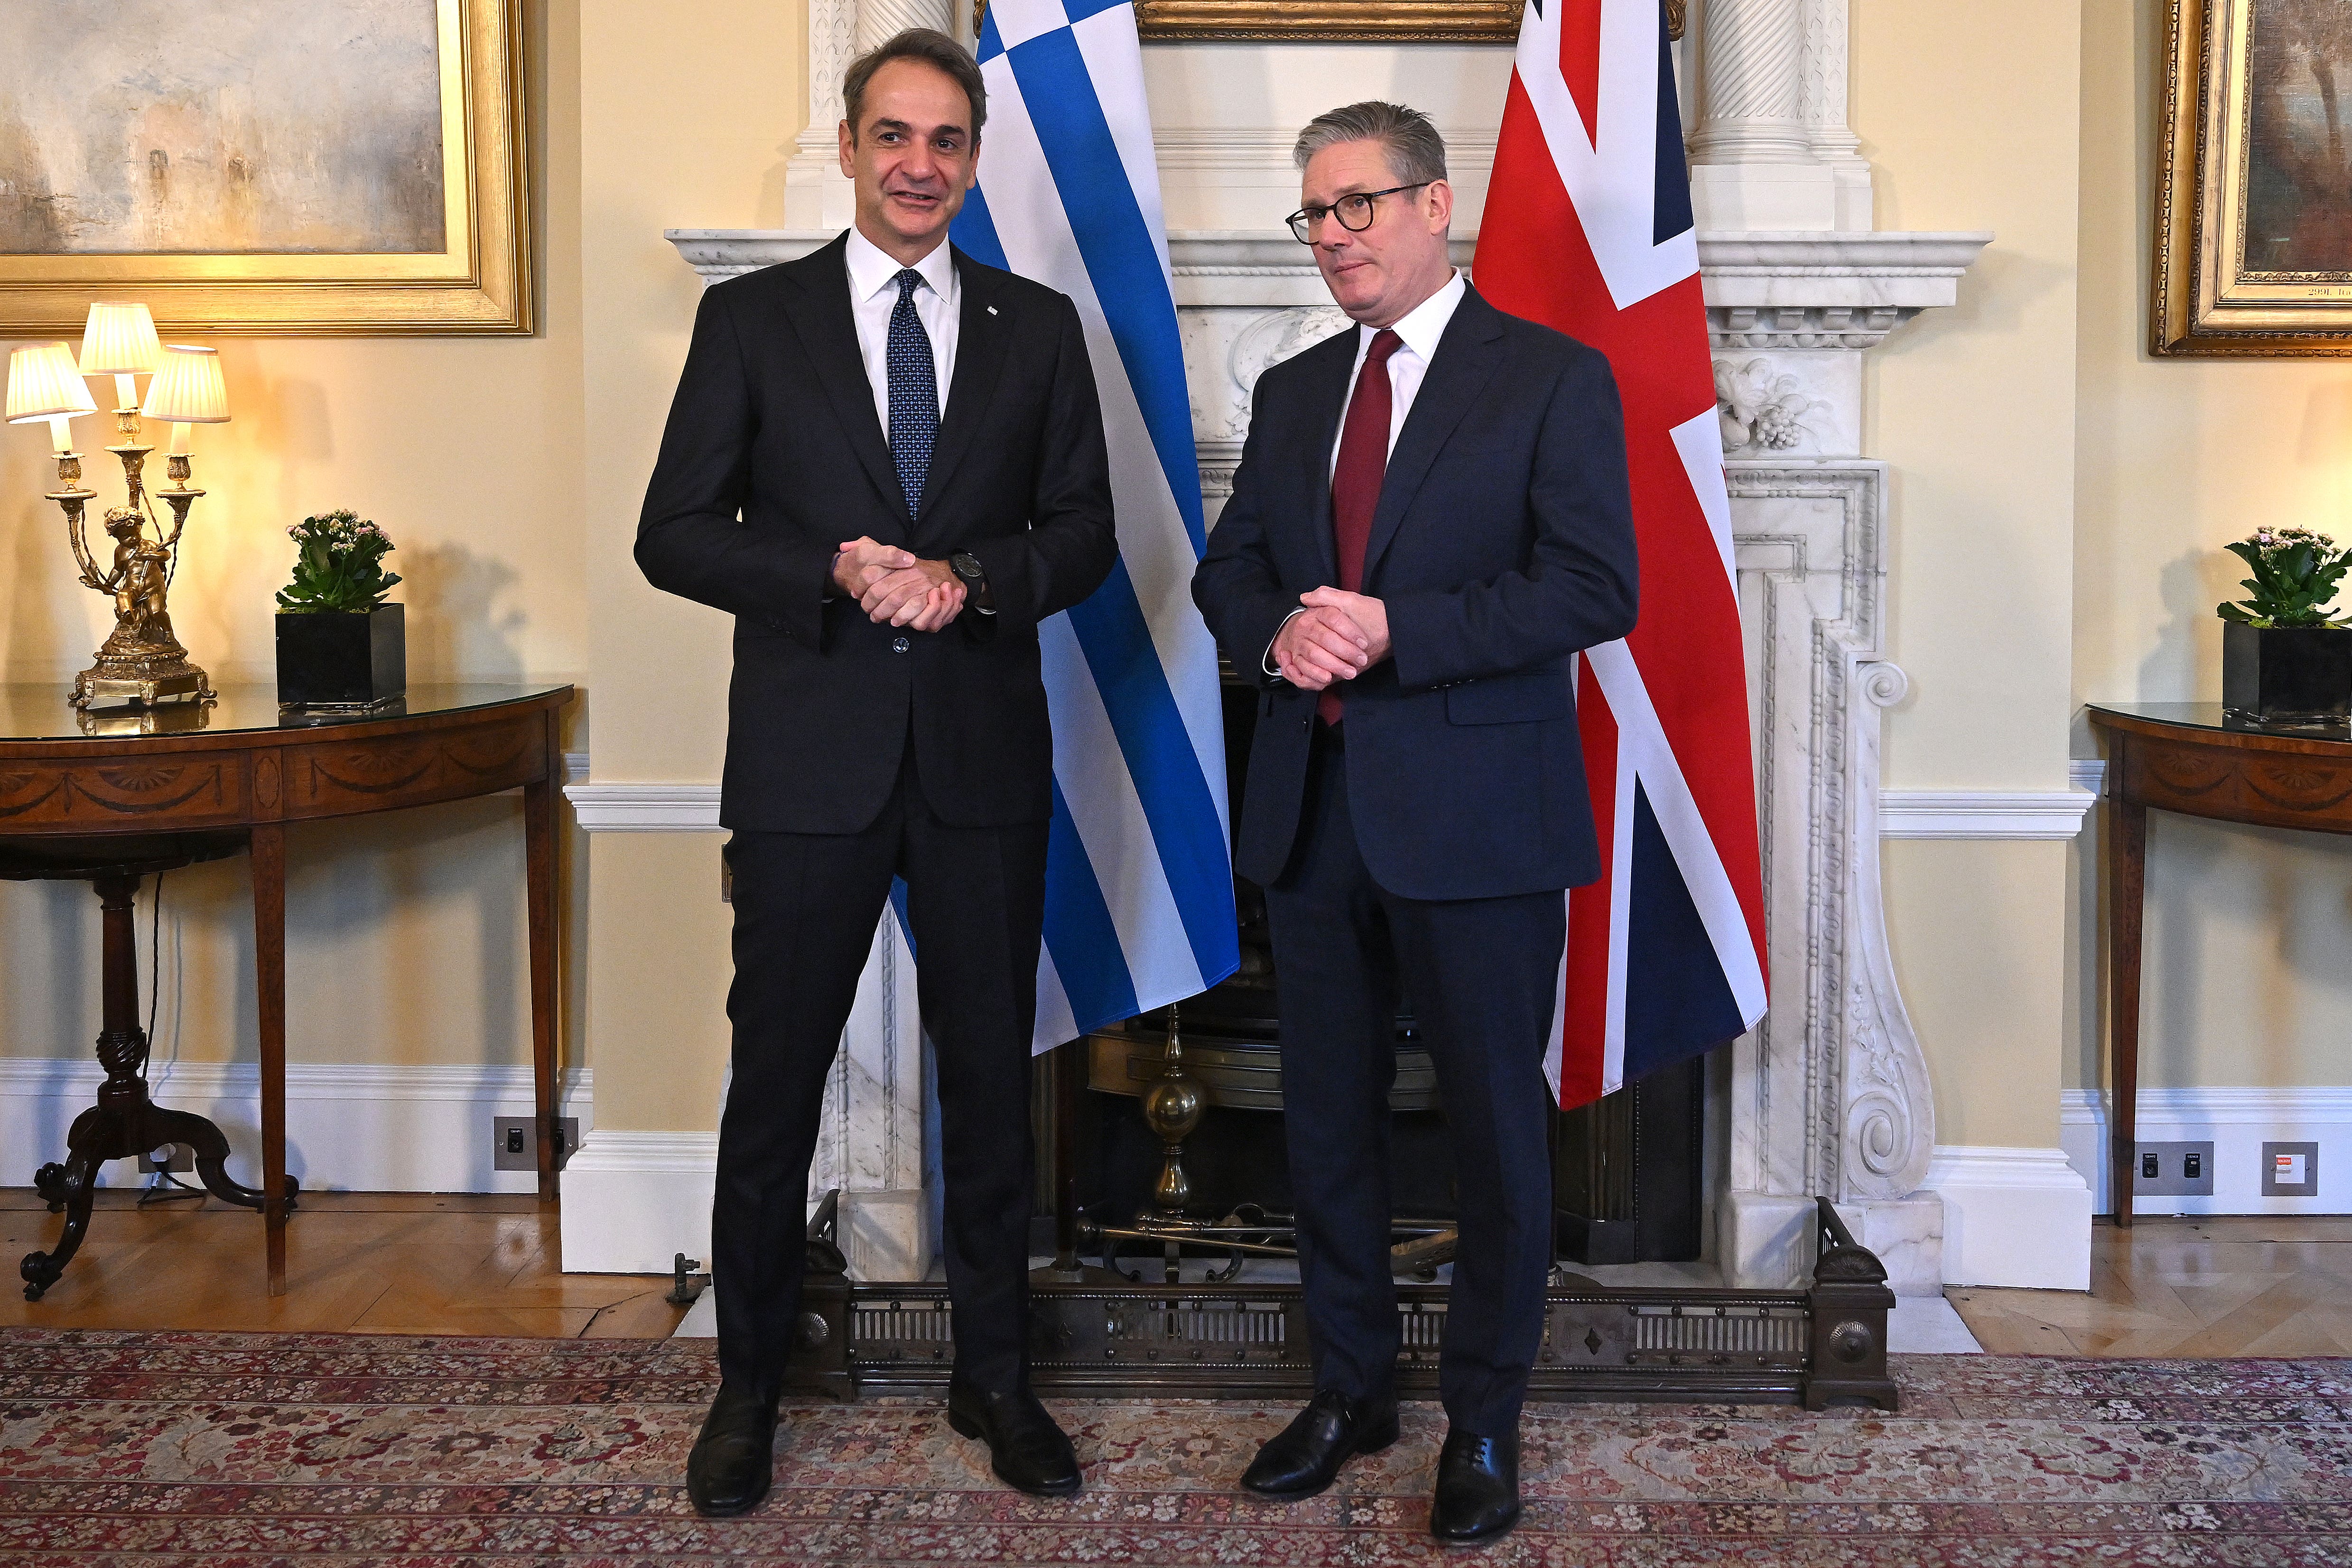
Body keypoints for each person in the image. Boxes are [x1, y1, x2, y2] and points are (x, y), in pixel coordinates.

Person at [636, 27, 1116, 1518]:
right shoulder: (755, 321)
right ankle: (747, 1385)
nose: (921, 167)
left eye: (948, 143)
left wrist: (966, 576)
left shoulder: (1037, 328)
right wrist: (836, 572)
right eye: (894, 137)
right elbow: (675, 530)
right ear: (850, 147)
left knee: (989, 1086)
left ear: (975, 160)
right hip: (808, 763)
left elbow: (1087, 535)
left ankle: (995, 1377)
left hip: (979, 764)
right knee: (773, 1087)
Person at [1191, 101, 1638, 1546]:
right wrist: (1284, 643)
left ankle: (1487, 1422)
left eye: (1358, 207)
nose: (1334, 238)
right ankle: (1353, 1389)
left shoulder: (1552, 379)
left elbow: (1593, 588)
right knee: (1325, 1122)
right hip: (1314, 817)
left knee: (1500, 1132)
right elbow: (1232, 572)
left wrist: (1395, 632)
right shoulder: (1296, 386)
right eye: (1313, 215)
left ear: (1438, 205)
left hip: (1481, 821)